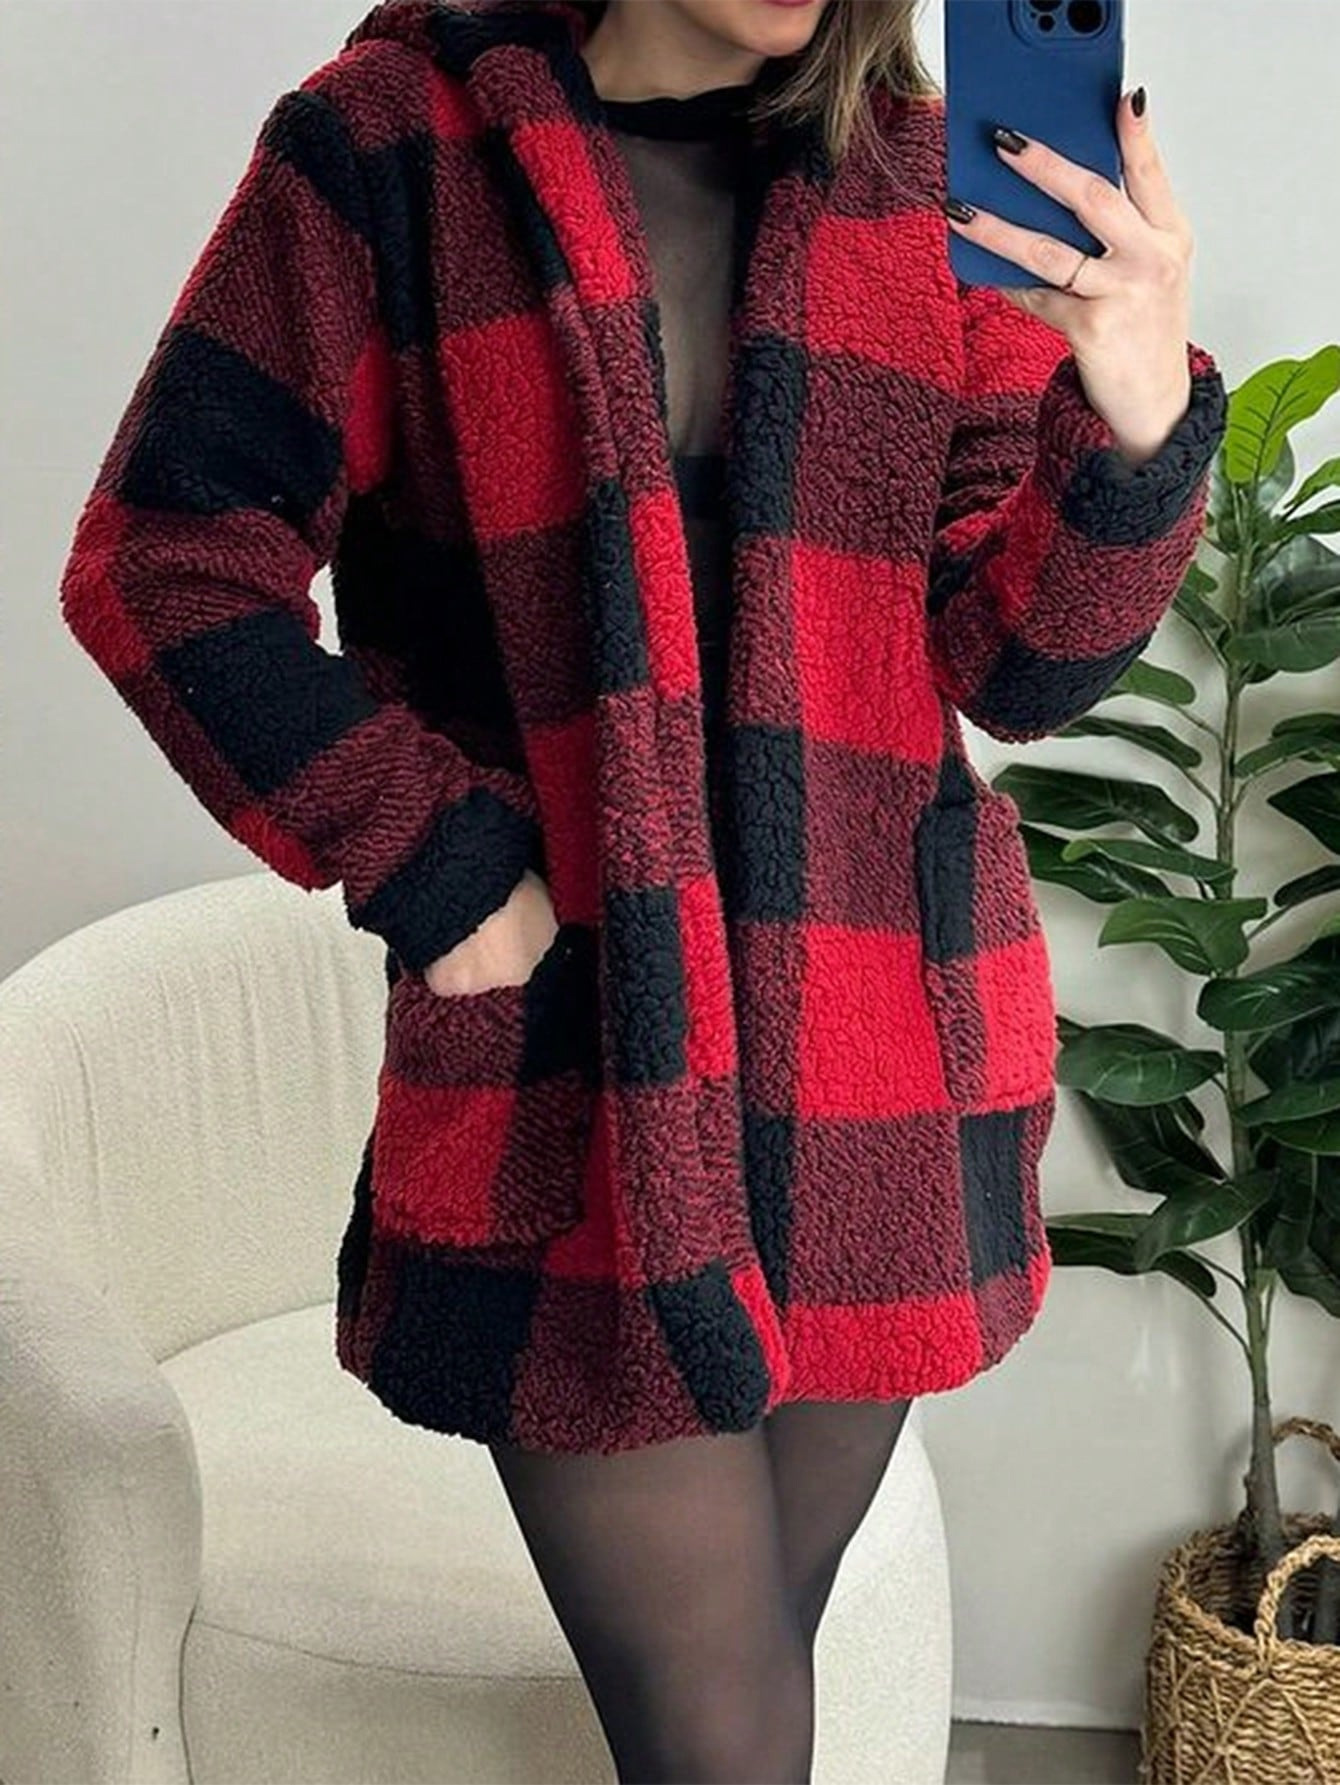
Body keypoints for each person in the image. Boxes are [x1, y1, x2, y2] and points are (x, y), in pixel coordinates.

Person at [58, 0, 1227, 1777]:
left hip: (873, 1081)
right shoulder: (387, 149)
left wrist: (1133, 424)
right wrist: (442, 867)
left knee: (745, 1700)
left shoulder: (927, 181)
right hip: (584, 1084)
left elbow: (1016, 667)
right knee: (720, 1733)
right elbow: (165, 559)